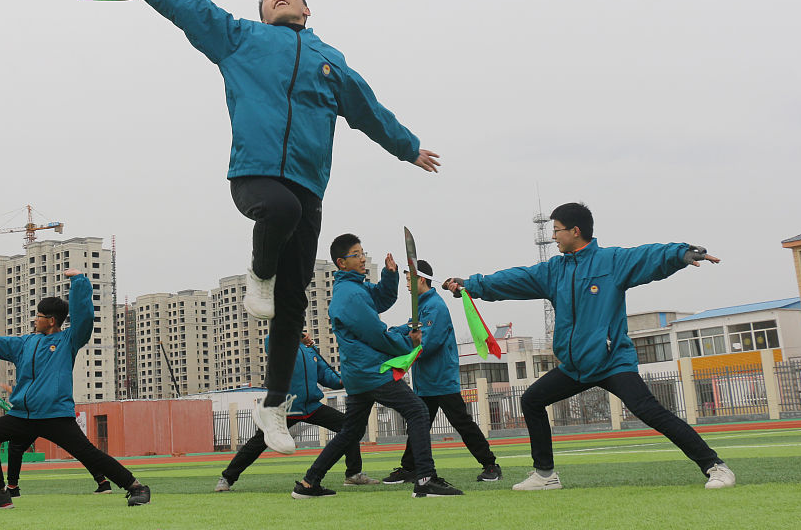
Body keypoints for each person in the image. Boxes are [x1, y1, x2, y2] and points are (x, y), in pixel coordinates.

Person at [103, 0, 440, 454]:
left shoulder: (330, 61)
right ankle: (259, 274)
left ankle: (275, 405)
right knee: (279, 210)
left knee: (293, 304)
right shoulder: (241, 39)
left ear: (307, 10)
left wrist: (407, 148)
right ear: (262, 15)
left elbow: (369, 110)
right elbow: (190, 6)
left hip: (309, 186)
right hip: (255, 176)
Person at [442, 202, 735, 491]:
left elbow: (647, 256)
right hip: (575, 366)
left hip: (611, 361)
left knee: (650, 411)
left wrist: (680, 253)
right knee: (532, 400)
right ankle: (545, 475)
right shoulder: (554, 271)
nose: (553, 236)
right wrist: (471, 284)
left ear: (575, 231)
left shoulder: (611, 262)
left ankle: (715, 466)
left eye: (557, 230)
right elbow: (514, 279)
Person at [0, 269, 150, 509]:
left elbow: (84, 318)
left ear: (51, 320)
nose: (34, 320)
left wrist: (79, 282)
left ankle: (137, 488)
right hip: (23, 416)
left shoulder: (69, 341)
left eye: (38, 316)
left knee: (88, 454)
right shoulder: (25, 343)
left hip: (55, 416)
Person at [292, 234, 462, 498]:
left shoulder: (355, 288)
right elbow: (377, 335)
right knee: (418, 410)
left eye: (363, 253)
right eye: (356, 255)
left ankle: (308, 483)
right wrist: (408, 343)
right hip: (370, 372)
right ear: (342, 262)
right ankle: (425, 479)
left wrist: (389, 276)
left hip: (359, 374)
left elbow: (382, 299)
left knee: (350, 430)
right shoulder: (350, 295)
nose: (362, 259)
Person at [381, 259, 500, 485]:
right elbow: (410, 328)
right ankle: (409, 468)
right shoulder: (422, 306)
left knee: (461, 423)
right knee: (418, 424)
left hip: (441, 380)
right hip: (426, 381)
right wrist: (390, 332)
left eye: (409, 280)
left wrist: (397, 347)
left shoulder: (435, 306)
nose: (406, 285)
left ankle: (491, 465)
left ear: (421, 280)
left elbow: (428, 343)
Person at [215, 332, 381, 492]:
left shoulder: (310, 350)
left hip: (311, 406)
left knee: (349, 427)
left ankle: (353, 474)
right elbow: (271, 339)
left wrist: (343, 380)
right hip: (285, 407)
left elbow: (325, 375)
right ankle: (227, 478)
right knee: (258, 443)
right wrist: (296, 336)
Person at [0, 384, 113, 496]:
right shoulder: (50, 375)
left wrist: (12, 390)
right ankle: (102, 482)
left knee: (15, 448)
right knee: (80, 450)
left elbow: (30, 393)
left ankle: (12, 487)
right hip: (50, 416)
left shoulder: (40, 377)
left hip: (39, 417)